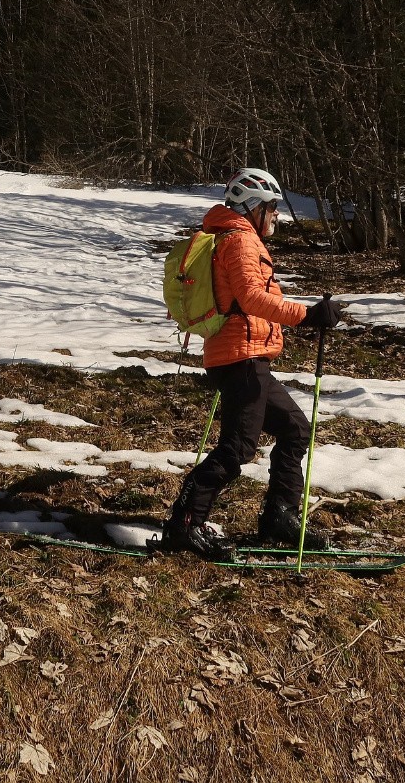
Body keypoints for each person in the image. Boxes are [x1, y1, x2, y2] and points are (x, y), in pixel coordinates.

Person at [159, 167, 344, 559]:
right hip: (239, 356)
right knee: (238, 447)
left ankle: (280, 516)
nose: (277, 214)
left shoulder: (232, 237)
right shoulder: (240, 241)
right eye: (272, 206)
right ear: (254, 207)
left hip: (244, 355)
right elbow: (252, 299)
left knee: (294, 429)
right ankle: (185, 525)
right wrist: (308, 315)